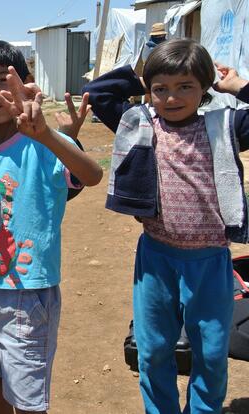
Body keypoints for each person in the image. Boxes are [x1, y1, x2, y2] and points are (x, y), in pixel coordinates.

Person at [83, 38, 249, 414]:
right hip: (156, 258)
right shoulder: (140, 124)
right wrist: (144, 79)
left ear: (205, 87)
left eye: (185, 86)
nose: (172, 98)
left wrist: (236, 87)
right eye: (162, 89)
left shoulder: (226, 125)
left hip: (209, 261)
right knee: (154, 348)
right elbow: (97, 93)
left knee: (210, 350)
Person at [0, 39, 103, 414]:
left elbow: (93, 174)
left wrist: (50, 135)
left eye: (2, 80)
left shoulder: (41, 142)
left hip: (25, 289)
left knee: (27, 391)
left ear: (25, 83)